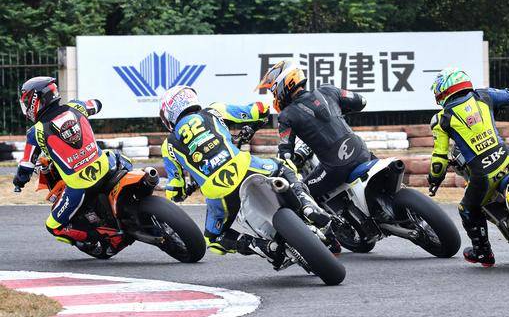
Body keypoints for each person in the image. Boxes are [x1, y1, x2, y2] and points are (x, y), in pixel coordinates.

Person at [159, 85, 338, 257]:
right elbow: (260, 109)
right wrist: (254, 125)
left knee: (213, 239)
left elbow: (174, 191)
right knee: (284, 166)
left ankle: (261, 246)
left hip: (218, 195)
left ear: (170, 114)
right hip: (246, 167)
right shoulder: (214, 111)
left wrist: (183, 192)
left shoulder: (168, 146)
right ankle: (306, 205)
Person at [427, 67, 509, 267]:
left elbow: (439, 158)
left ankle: (483, 252)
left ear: (444, 90)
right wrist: (502, 101)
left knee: (466, 209)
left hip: (484, 176)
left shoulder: (441, 119)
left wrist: (434, 179)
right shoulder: (484, 96)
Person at [13, 76, 125, 253]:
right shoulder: (76, 107)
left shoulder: (36, 132)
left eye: (27, 101)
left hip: (80, 186)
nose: (26, 106)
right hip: (105, 166)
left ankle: (109, 237)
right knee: (117, 156)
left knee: (53, 226)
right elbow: (97, 104)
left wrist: (19, 182)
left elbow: (26, 166)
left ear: (36, 100)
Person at [256, 60, 372, 200]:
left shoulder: (286, 115)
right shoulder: (328, 90)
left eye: (273, 91)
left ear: (282, 85)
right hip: (361, 151)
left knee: (298, 197)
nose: (275, 96)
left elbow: (285, 156)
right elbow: (361, 101)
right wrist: (337, 112)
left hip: (335, 168)